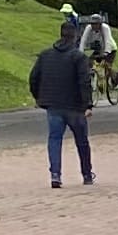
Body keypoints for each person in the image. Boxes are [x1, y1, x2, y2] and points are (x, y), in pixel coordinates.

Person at [29, 19, 98, 190]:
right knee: (82, 141)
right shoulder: (78, 57)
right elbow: (84, 81)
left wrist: (39, 97)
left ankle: (55, 174)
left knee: (54, 139)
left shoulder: (45, 55)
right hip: (75, 106)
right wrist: (88, 104)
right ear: (75, 36)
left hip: (53, 104)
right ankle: (86, 173)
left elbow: (34, 78)